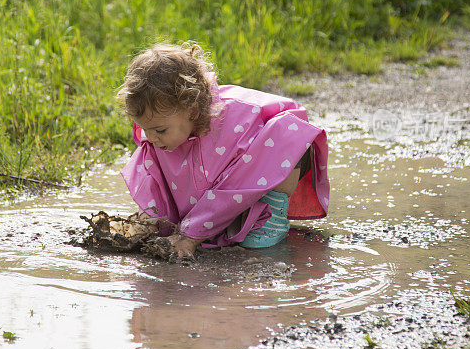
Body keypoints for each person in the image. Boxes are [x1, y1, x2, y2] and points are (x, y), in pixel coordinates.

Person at [118, 42, 330, 259]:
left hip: (252, 184)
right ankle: (178, 223)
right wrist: (151, 220)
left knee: (289, 134)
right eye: (145, 129)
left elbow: (237, 184)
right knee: (152, 210)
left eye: (159, 130)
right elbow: (151, 181)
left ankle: (271, 216)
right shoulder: (159, 135)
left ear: (191, 110)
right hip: (207, 194)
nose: (151, 138)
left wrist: (190, 237)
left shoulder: (234, 119)